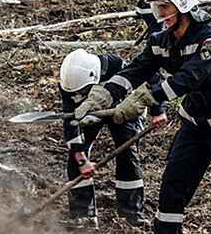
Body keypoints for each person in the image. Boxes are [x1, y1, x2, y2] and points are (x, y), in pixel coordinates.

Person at [74, 0, 211, 234]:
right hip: (194, 123)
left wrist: (147, 98)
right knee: (173, 187)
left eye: (164, 6)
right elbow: (137, 69)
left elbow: (189, 78)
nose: (159, 13)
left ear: (183, 4)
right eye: (156, 7)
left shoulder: (210, 38)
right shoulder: (160, 40)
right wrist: (104, 95)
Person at [59, 49, 166, 229]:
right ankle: (82, 214)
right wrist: (80, 157)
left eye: (84, 91)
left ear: (94, 77)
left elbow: (153, 78)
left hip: (125, 108)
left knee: (127, 152)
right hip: (90, 112)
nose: (80, 93)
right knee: (76, 156)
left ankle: (131, 214)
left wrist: (158, 111)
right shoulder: (69, 85)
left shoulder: (116, 65)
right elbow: (71, 123)